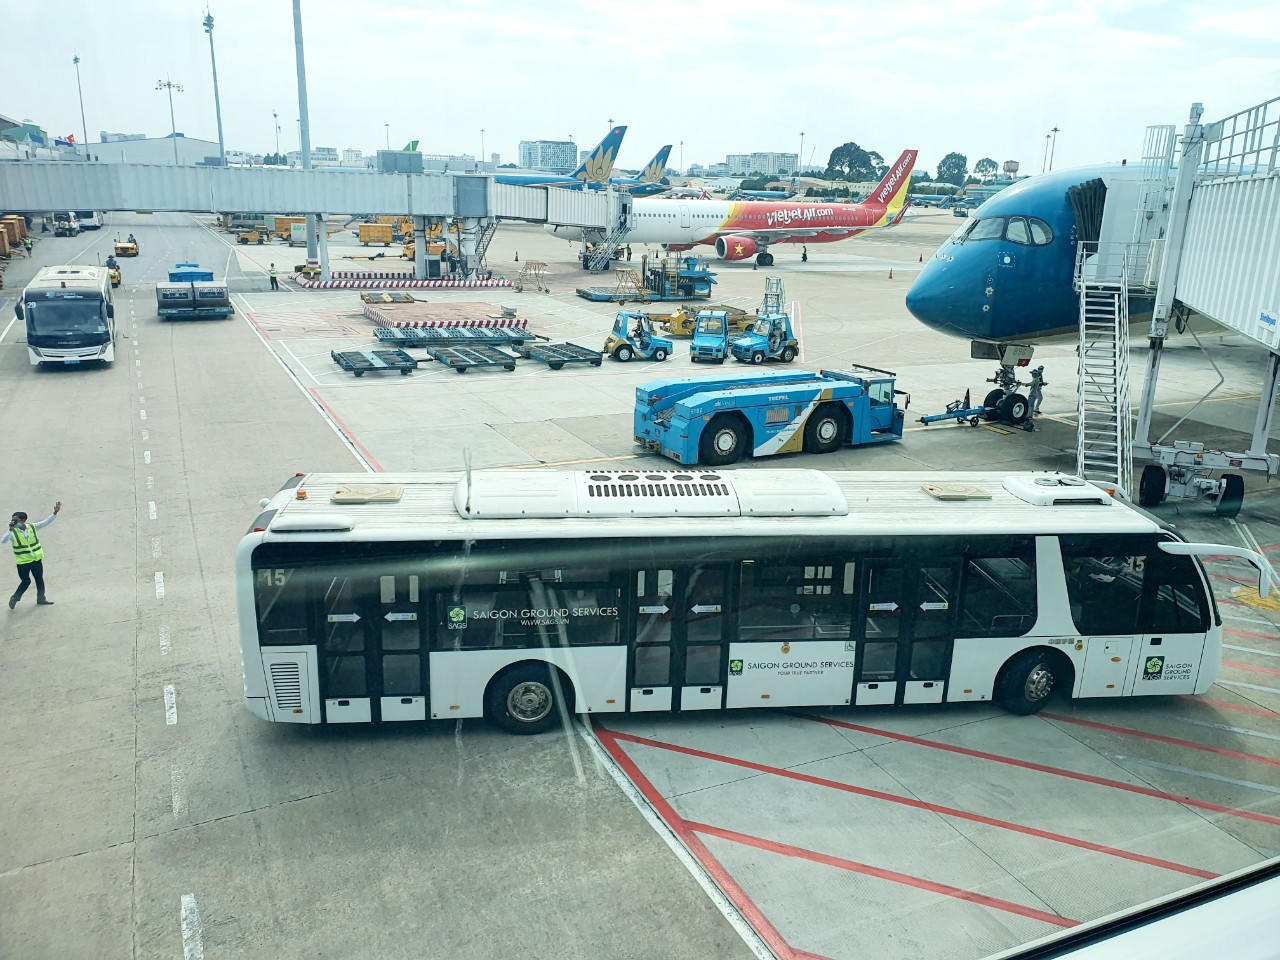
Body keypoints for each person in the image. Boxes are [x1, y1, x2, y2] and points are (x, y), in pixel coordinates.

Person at [5, 502, 61, 609]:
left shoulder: (32, 527)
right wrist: (10, 530)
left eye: (15, 520)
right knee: (26, 581)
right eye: (12, 520)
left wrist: (54, 513)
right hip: (23, 562)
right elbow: (3, 540)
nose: (13, 522)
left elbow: (45, 522)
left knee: (39, 579)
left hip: (36, 559)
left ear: (23, 520)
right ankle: (15, 597)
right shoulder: (13, 532)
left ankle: (41, 599)